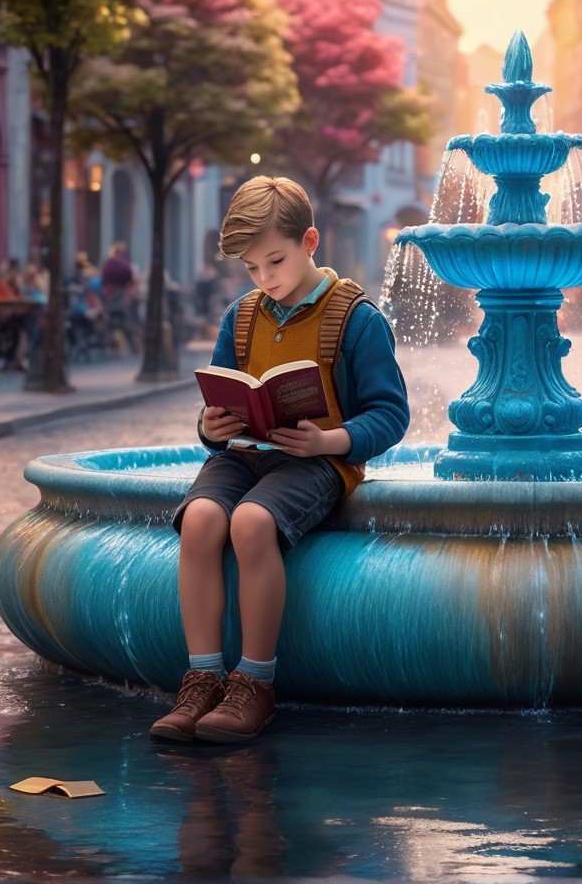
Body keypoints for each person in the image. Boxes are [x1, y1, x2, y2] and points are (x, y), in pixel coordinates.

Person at [150, 176, 410, 744]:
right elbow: (218, 402)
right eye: (252, 269)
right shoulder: (241, 317)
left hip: (315, 462)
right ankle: (202, 678)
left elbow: (390, 415)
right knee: (198, 520)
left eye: (275, 261)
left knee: (251, 522)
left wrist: (329, 442)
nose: (265, 279)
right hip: (245, 454)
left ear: (309, 240)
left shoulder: (358, 319)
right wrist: (209, 426)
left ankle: (256, 683)